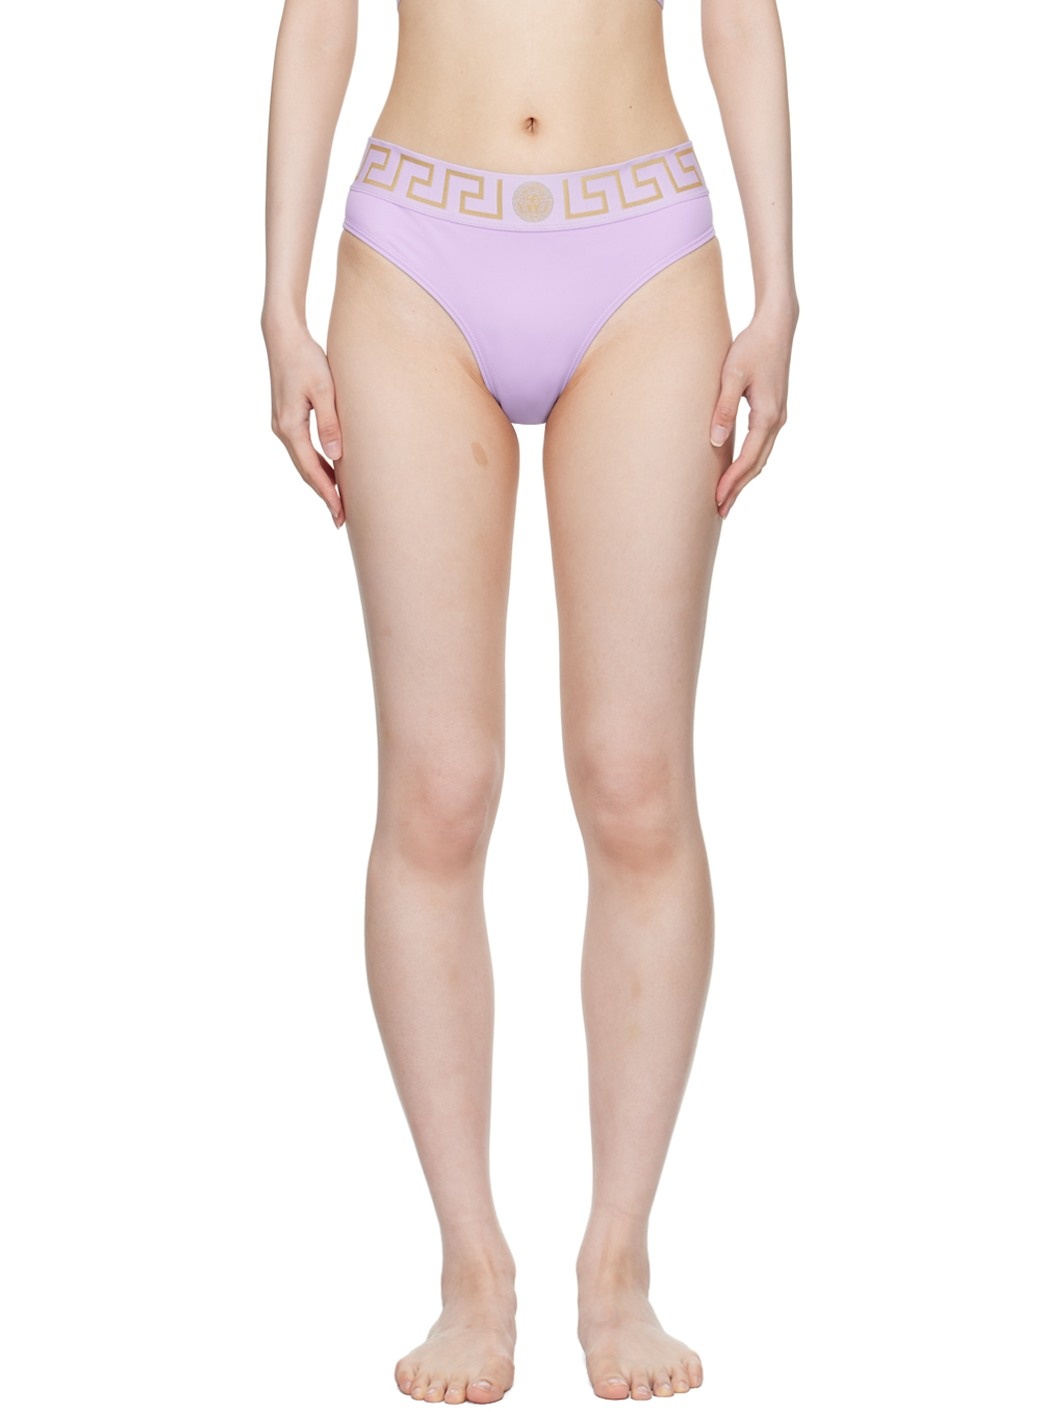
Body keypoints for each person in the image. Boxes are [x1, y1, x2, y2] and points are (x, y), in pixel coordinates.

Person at [261, 0, 797, 1401]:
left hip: (645, 253)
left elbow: (740, 14)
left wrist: (780, 292)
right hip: (413, 257)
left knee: (635, 781)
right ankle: (470, 1264)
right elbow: (318, 19)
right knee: (438, 788)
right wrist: (278, 304)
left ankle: (618, 1260)